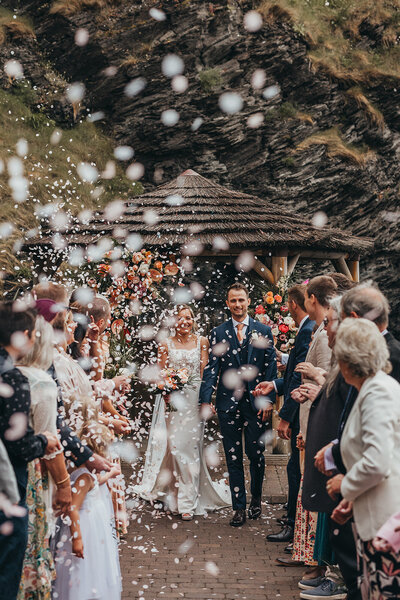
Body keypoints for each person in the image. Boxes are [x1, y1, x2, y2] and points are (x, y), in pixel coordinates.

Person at [135, 305, 230, 520]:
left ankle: (187, 501)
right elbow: (160, 374)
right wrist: (165, 389)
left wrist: (208, 401)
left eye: (188, 317)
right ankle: (173, 494)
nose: (184, 321)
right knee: (176, 448)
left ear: (194, 320)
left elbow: (207, 374)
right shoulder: (165, 344)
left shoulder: (202, 342)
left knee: (191, 449)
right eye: (180, 318)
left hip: (195, 401)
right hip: (173, 402)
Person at [328, 318, 400, 600]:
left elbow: (378, 462)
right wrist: (353, 499)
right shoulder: (372, 388)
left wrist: (344, 485)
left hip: (386, 522)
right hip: (373, 513)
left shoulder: (378, 392)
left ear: (348, 360)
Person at [200, 283, 277, 527]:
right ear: (227, 303)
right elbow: (211, 369)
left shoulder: (263, 330)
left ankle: (256, 499)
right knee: (232, 458)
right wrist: (205, 399)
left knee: (256, 455)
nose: (238, 305)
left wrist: (269, 401)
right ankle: (239, 507)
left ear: (248, 301)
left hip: (256, 404)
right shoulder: (218, 332)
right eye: (233, 301)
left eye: (241, 300)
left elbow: (270, 369)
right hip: (227, 404)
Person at [300, 298, 360, 600]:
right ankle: (341, 578)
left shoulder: (372, 381)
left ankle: (343, 581)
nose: (324, 328)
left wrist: (345, 475)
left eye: (329, 321)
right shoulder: (347, 362)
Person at [0, 303, 60, 600]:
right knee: (6, 571)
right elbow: (18, 444)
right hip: (7, 487)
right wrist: (44, 441)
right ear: (23, 336)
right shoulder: (13, 379)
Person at [315, 284, 400, 475]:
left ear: (353, 319)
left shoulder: (390, 357)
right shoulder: (376, 351)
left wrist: (336, 455)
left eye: (340, 321)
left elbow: (379, 433)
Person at [254, 284, 315, 543]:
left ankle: (293, 523)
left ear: (292, 303)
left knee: (294, 469)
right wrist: (276, 384)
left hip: (302, 409)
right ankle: (293, 518)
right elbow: (293, 372)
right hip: (296, 403)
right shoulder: (308, 330)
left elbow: (299, 379)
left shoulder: (309, 331)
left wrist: (287, 416)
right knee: (294, 467)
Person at [17, 316, 71, 599]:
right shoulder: (40, 382)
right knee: (35, 541)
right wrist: (63, 485)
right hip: (32, 473)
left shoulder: (8, 375)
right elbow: (51, 442)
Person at [33, 282, 112, 474]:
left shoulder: (56, 357)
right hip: (54, 450)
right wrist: (87, 457)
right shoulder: (50, 361)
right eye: (68, 317)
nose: (74, 322)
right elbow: (58, 417)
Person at [290, 276, 336, 580]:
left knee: (318, 492)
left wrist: (314, 379)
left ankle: (318, 561)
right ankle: (311, 556)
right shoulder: (319, 330)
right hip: (310, 416)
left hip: (319, 424)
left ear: (311, 299)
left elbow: (332, 381)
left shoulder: (322, 335)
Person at [52, 396, 122, 600]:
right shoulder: (83, 477)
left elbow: (94, 484)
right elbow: (72, 508)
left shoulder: (85, 474)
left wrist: (109, 475)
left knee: (95, 565)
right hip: (85, 529)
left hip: (92, 527)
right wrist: (78, 539)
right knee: (85, 569)